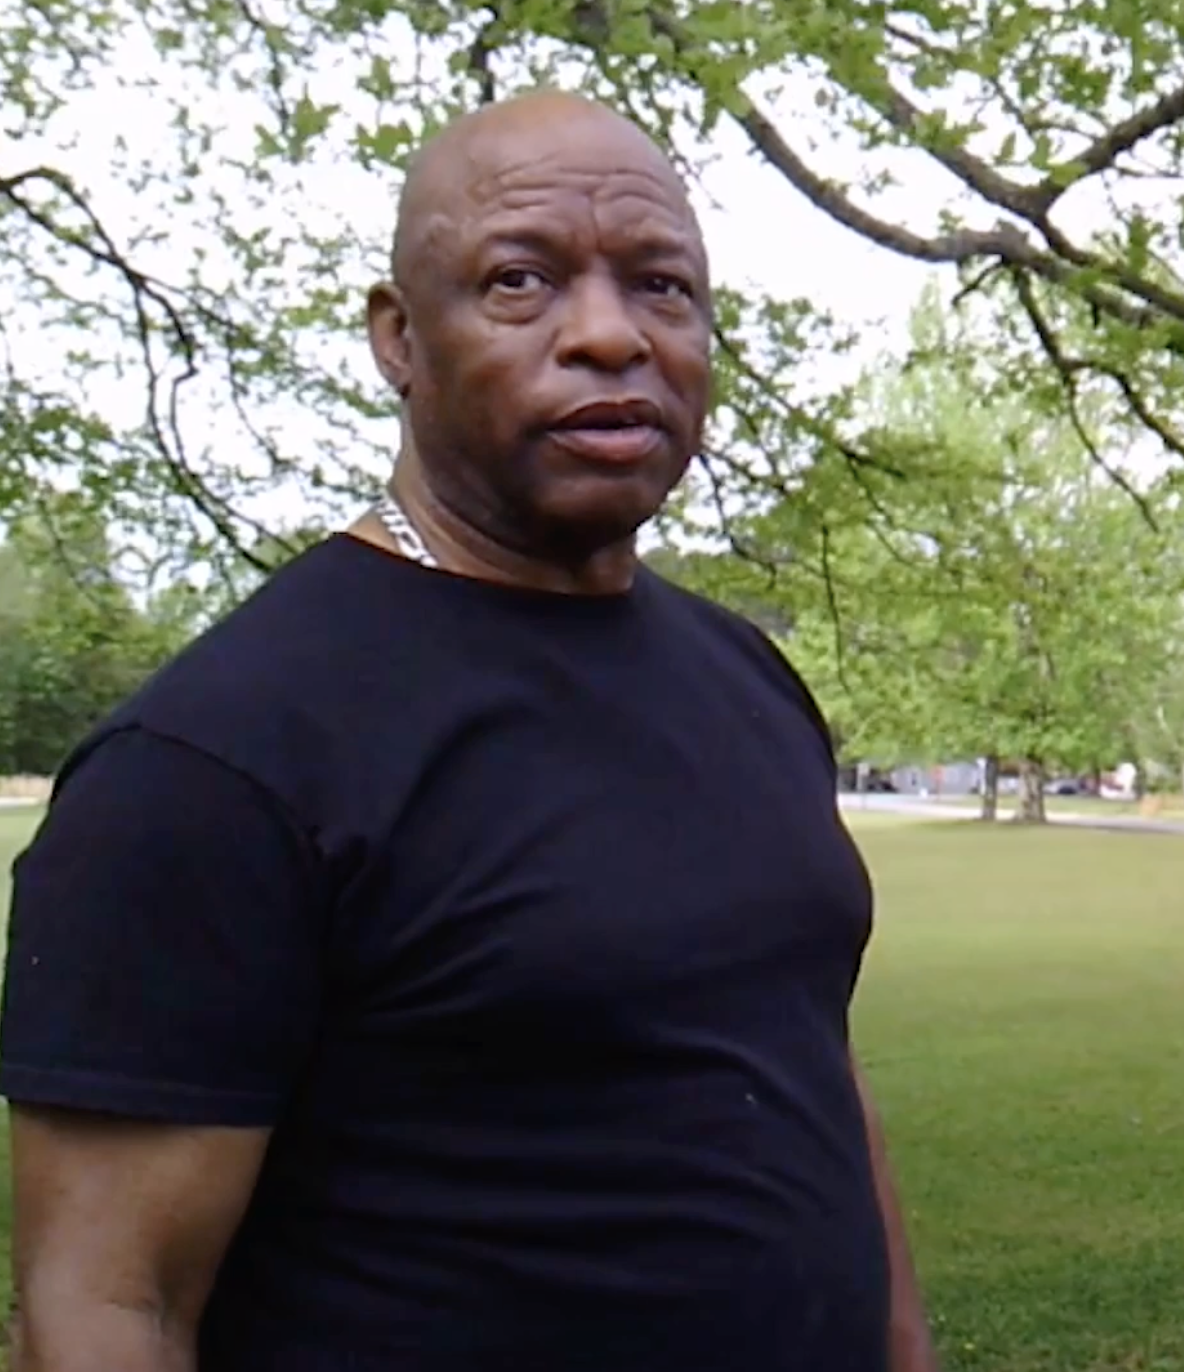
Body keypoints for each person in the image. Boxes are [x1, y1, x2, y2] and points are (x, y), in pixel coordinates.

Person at [0, 90, 937, 1372]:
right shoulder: (217, 762)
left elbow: (806, 1069)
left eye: (661, 286)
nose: (608, 335)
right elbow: (108, 1306)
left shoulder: (748, 679)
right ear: (398, 337)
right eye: (519, 281)